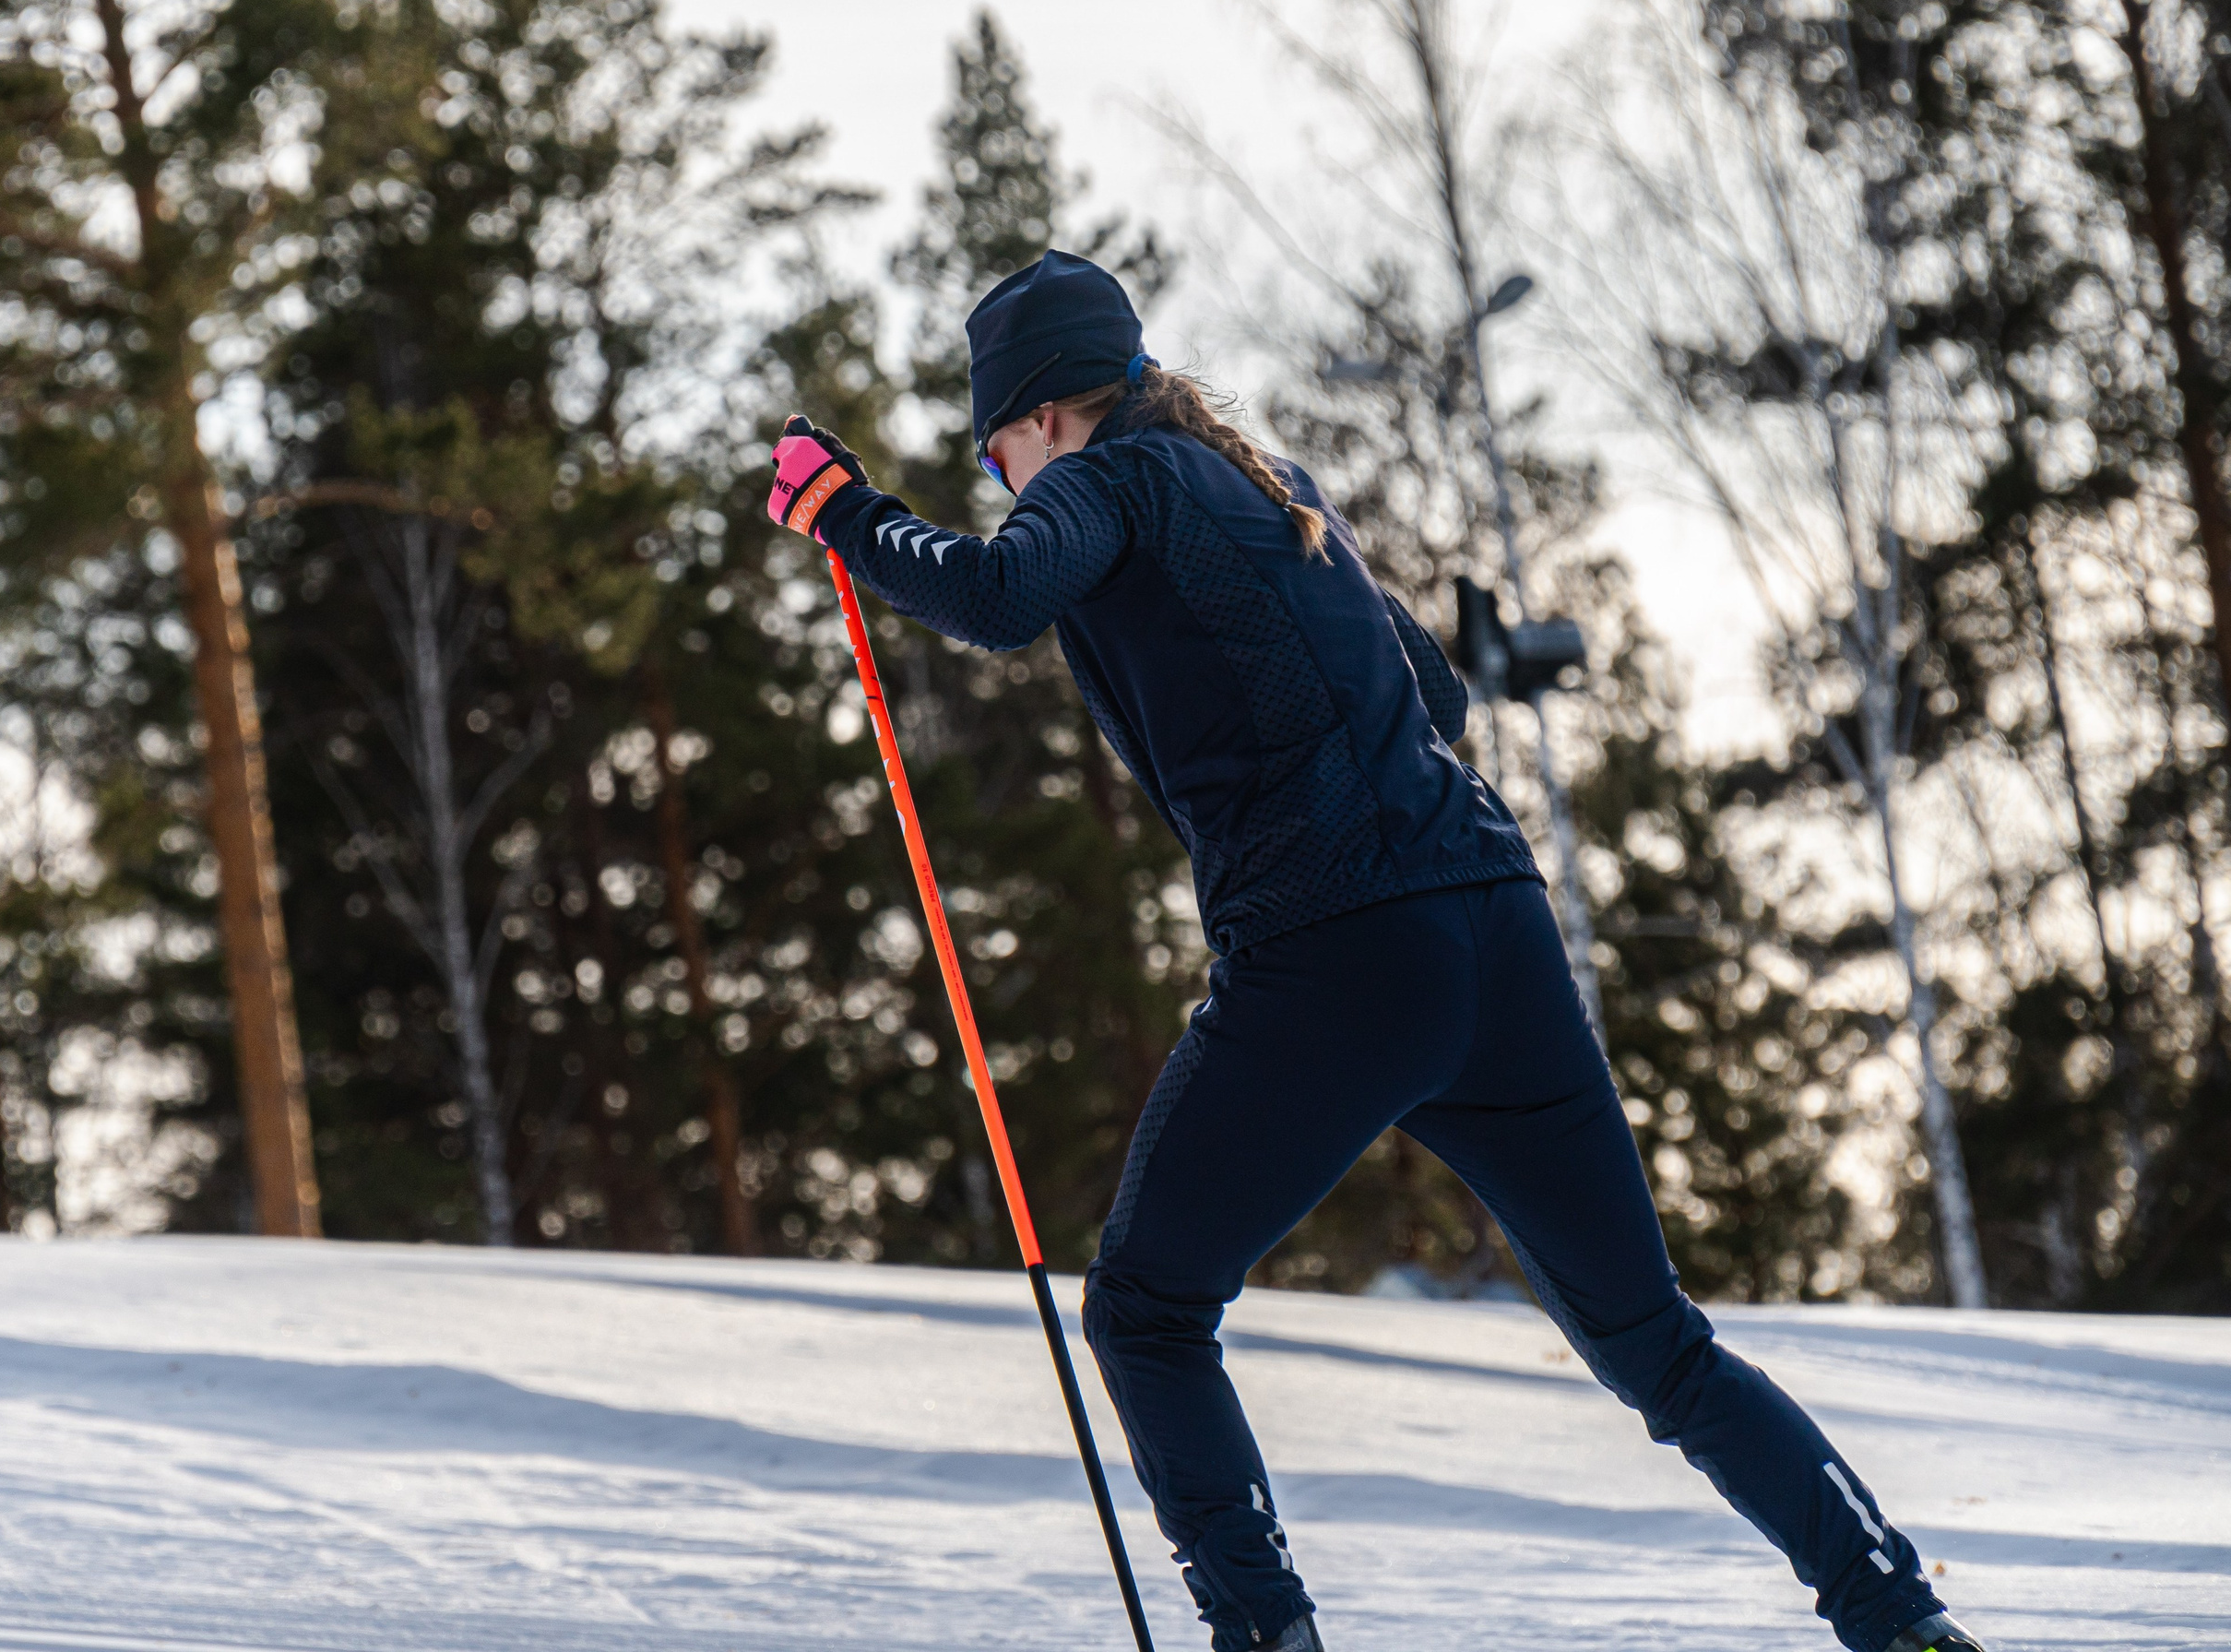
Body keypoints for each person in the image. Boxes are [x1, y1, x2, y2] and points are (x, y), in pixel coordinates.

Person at [764, 250, 1989, 1652]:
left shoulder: (1110, 480)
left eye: (998, 460)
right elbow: (1441, 695)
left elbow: (995, 598)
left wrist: (845, 509)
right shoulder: (1270, 485)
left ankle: (1264, 1635)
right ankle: (1900, 1620)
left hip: (1336, 953)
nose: (1007, 485)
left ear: (1040, 415)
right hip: (1494, 924)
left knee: (1146, 1310)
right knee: (1654, 1340)